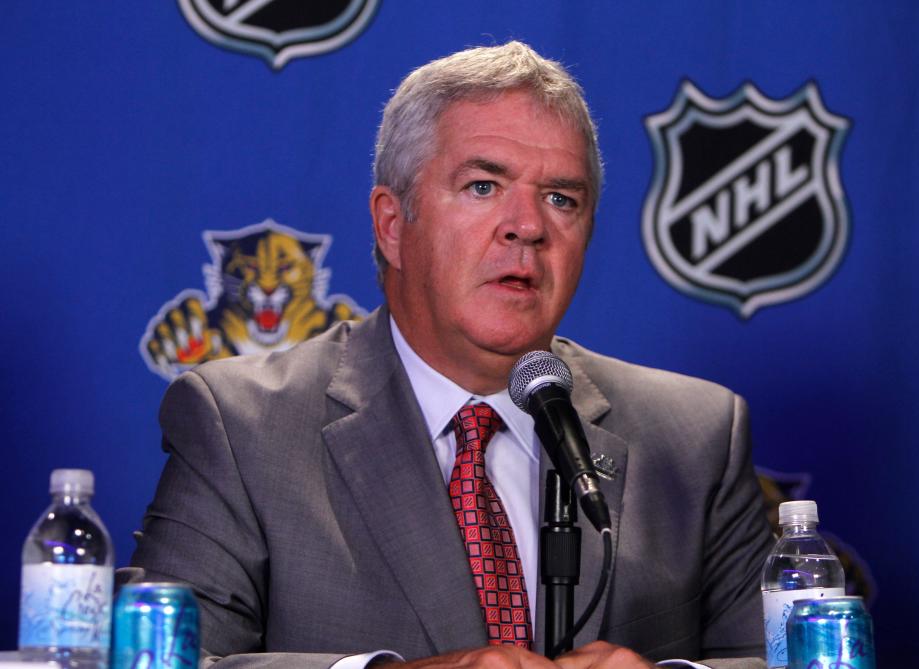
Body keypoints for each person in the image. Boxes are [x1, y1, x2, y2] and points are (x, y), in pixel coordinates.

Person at [124, 42, 772, 669]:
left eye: (561, 198)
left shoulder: (694, 437)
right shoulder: (243, 427)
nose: (527, 225)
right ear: (391, 224)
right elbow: (159, 661)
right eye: (483, 186)